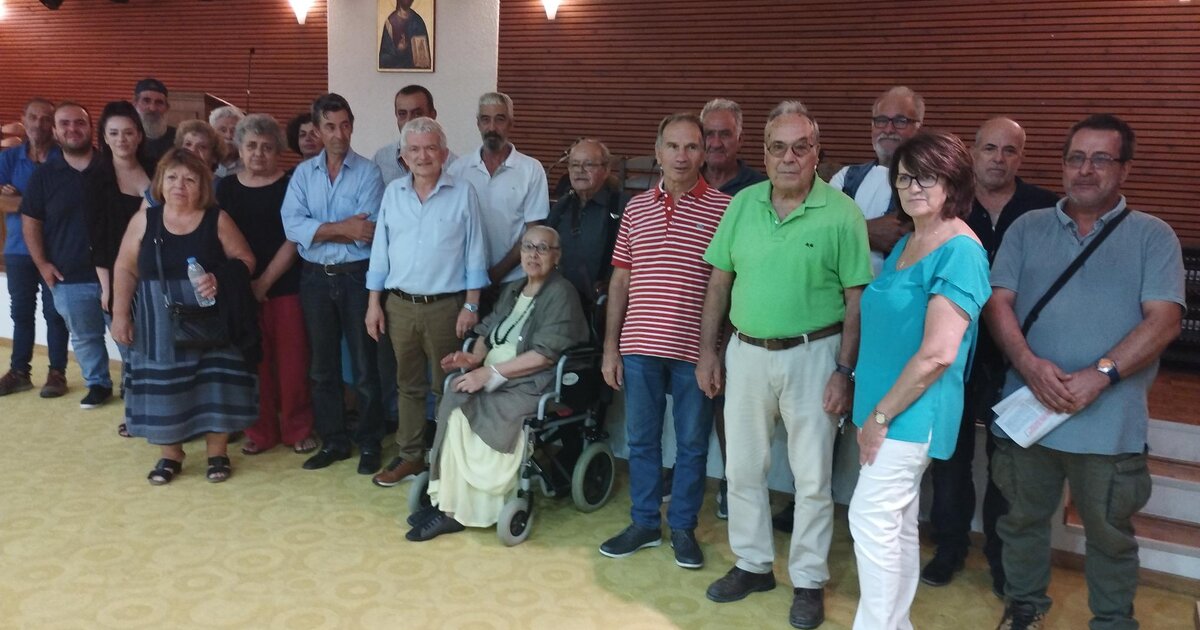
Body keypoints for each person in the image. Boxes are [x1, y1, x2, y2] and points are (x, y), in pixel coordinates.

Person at [987, 114, 1184, 630]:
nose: (1086, 170)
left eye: (1101, 159)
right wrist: (1028, 365)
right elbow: (998, 303)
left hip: (1109, 424)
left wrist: (1100, 375)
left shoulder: (1153, 236)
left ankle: (1113, 621)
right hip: (1031, 414)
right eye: (1076, 158)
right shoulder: (1027, 229)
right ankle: (1024, 608)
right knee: (1022, 522)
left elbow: (1164, 320)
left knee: (1110, 536)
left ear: (1125, 169)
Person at [698, 102, 872, 630]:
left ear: (817, 152)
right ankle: (753, 564)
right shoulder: (742, 204)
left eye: (801, 147)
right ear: (765, 152)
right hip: (746, 352)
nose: (789, 158)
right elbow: (719, 282)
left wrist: (844, 371)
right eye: (778, 148)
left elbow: (856, 301)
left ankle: (809, 580)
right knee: (742, 468)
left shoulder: (843, 213)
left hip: (814, 356)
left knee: (813, 477)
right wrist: (708, 351)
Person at [847, 130, 991, 630]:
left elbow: (938, 354)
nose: (913, 187)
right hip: (886, 407)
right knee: (897, 524)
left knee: (869, 518)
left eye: (926, 177)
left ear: (954, 182)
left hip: (910, 413)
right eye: (904, 178)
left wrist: (881, 416)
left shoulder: (960, 250)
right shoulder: (911, 240)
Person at [921, 118, 1059, 592]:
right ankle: (950, 547)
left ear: (1021, 156)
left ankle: (1002, 559)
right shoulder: (949, 204)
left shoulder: (1044, 208)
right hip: (955, 351)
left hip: (1018, 354)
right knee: (950, 457)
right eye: (989, 148)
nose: (998, 158)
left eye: (1009, 150)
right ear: (972, 152)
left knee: (1009, 464)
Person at [597, 113, 730, 570]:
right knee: (642, 441)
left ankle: (684, 528)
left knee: (692, 445)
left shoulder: (725, 209)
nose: (681, 155)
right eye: (672, 146)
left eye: (691, 146)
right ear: (658, 152)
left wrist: (716, 351)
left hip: (695, 350)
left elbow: (727, 285)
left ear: (704, 153)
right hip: (638, 345)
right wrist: (611, 347)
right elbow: (620, 281)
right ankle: (645, 524)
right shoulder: (636, 208)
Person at [405, 225, 588, 541]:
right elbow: (486, 331)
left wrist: (490, 373)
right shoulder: (515, 288)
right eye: (527, 246)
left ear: (557, 256)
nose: (533, 254)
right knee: (455, 397)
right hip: (494, 374)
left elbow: (545, 355)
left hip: (531, 382)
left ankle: (464, 512)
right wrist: (473, 359)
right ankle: (448, 500)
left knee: (476, 412)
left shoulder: (562, 293)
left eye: (542, 248)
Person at [110, 148, 259, 485]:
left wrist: (221, 277)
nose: (180, 185)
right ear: (161, 182)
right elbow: (125, 267)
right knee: (165, 389)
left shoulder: (217, 219)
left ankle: (217, 453)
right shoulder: (143, 220)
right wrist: (120, 314)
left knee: (215, 385)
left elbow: (246, 260)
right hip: (157, 321)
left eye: (190, 179)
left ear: (202, 186)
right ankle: (170, 455)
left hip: (212, 319)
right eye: (173, 177)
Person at [365, 116, 489, 488]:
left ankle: (448, 459)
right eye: (415, 150)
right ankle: (410, 456)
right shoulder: (393, 194)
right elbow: (380, 252)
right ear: (403, 156)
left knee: (446, 386)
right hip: (399, 306)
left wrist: (471, 305)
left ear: (444, 153)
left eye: (431, 148)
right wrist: (374, 303)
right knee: (408, 385)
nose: (423, 156)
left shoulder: (463, 192)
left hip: (445, 308)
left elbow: (475, 251)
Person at [281, 93, 388, 475]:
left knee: (365, 366)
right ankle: (335, 441)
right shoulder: (302, 175)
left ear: (352, 126)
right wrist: (344, 227)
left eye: (345, 125)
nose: (339, 134)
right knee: (321, 367)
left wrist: (318, 231)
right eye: (330, 126)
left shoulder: (369, 172)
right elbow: (293, 227)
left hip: (357, 277)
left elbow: (368, 233)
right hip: (314, 279)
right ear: (317, 130)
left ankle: (370, 441)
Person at [218, 113, 317, 456]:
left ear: (278, 151)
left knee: (293, 364)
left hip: (287, 286)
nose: (258, 153)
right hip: (241, 290)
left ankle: (297, 429)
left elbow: (295, 238)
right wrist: (245, 284)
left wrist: (264, 283)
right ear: (239, 149)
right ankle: (259, 432)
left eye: (267, 147)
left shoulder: (291, 184)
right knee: (252, 362)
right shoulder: (226, 188)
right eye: (251, 146)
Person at [696, 97, 767, 520]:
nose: (716, 142)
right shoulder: (686, 179)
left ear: (740, 138)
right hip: (690, 305)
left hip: (739, 309)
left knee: (726, 397)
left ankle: (730, 480)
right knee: (690, 394)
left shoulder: (758, 189)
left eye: (725, 134)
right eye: (709, 134)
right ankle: (687, 474)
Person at [21, 102, 113, 410]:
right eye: (65, 124)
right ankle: (98, 384)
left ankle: (135, 386)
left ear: (91, 128)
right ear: (56, 131)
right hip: (68, 274)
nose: (73, 129)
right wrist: (42, 264)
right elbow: (31, 222)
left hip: (117, 273)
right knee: (85, 337)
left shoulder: (111, 167)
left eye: (79, 123)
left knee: (129, 336)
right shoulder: (44, 176)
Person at [82, 100, 156, 419]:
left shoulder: (156, 169)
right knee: (131, 347)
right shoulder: (95, 177)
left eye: (128, 132)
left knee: (158, 346)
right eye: (114, 133)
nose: (122, 139)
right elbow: (96, 238)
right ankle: (135, 414)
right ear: (105, 137)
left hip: (157, 271)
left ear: (139, 135)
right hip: (118, 274)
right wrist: (107, 288)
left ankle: (161, 409)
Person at [0, 97, 70, 399]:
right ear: (23, 119)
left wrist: (19, 199)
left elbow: (62, 205)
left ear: (53, 124)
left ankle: (57, 373)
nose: (38, 124)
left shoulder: (63, 158)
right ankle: (19, 372)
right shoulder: (8, 158)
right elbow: (2, 202)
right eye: (33, 117)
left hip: (56, 249)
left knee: (56, 313)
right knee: (21, 313)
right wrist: (33, 203)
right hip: (17, 249)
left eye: (45, 118)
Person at [447, 92, 549, 295]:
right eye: (486, 120)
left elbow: (533, 232)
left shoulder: (531, 169)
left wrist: (495, 275)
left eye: (499, 119)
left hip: (515, 280)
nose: (492, 128)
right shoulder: (458, 170)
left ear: (511, 123)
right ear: (478, 124)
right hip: (466, 279)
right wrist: (476, 277)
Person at [828, 86, 924, 273]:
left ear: (918, 128)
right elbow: (822, 230)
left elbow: (907, 234)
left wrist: (847, 231)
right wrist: (867, 231)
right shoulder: (846, 177)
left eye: (900, 121)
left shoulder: (928, 183)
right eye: (881, 121)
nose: (888, 129)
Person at [544, 138, 627, 311]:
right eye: (574, 165)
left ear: (606, 170)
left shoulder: (623, 207)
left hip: (604, 307)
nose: (580, 171)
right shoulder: (562, 206)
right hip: (560, 306)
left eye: (588, 164)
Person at [372, 85, 456, 185]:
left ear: (432, 115)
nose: (409, 121)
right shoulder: (381, 159)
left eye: (417, 114)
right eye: (402, 114)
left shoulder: (453, 165)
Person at [700, 98, 767, 196]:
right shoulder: (687, 181)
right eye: (709, 134)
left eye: (725, 134)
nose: (716, 144)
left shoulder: (761, 188)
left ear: (740, 140)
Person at [379, 0, 432, 70]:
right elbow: (383, 59)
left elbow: (424, 59)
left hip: (415, 72)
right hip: (395, 72)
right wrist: (398, 51)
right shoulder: (390, 22)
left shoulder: (418, 22)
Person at [133, 78, 176, 164]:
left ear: (167, 108)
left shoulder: (178, 138)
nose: (152, 108)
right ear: (135, 104)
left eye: (159, 102)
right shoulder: (125, 138)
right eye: (146, 101)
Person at [209, 105, 245, 179]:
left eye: (234, 130)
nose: (228, 136)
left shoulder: (249, 166)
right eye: (223, 130)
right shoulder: (205, 162)